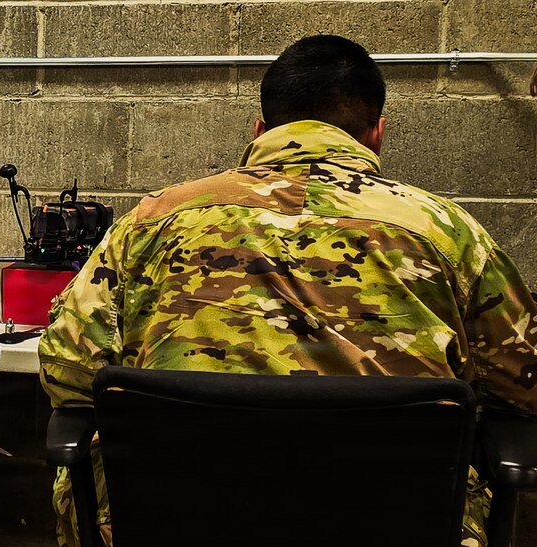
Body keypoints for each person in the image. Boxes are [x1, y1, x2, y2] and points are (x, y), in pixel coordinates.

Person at [39, 35, 537, 547]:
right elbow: (524, 386)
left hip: (173, 523)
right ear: (377, 134)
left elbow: (68, 369)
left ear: (260, 130)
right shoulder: (449, 233)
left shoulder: (152, 221)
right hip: (397, 526)